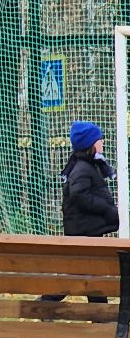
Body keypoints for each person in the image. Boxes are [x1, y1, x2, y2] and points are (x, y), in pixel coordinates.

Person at [44, 121, 119, 305]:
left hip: (86, 231)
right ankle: (44, 304)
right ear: (90, 144)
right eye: (99, 139)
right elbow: (79, 194)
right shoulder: (82, 168)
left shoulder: (86, 166)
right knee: (84, 275)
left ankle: (99, 313)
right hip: (85, 233)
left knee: (88, 275)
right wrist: (104, 207)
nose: (102, 142)